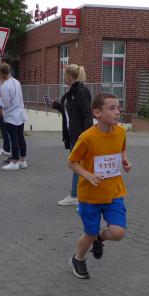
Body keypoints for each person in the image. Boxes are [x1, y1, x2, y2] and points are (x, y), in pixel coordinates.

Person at [67, 93, 132, 279]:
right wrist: (88, 175)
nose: (117, 112)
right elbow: (71, 162)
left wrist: (126, 161)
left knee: (118, 232)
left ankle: (100, 238)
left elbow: (122, 149)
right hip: (90, 196)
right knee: (89, 233)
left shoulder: (121, 132)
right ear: (97, 113)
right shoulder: (87, 138)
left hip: (114, 192)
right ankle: (78, 259)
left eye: (118, 108)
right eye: (112, 108)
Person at [52, 64, 92, 206]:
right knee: (77, 165)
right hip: (73, 134)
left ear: (69, 76)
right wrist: (55, 105)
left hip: (80, 135)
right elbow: (69, 111)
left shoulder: (80, 91)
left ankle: (76, 196)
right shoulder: (72, 92)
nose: (64, 77)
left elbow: (86, 114)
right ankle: (78, 195)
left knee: (76, 165)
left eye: (65, 75)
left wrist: (86, 136)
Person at [0, 63, 27, 170]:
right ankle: (22, 160)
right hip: (20, 113)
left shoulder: (5, 86)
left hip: (11, 115)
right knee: (20, 137)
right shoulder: (16, 82)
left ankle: (14, 161)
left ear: (1, 73)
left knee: (14, 138)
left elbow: (5, 103)